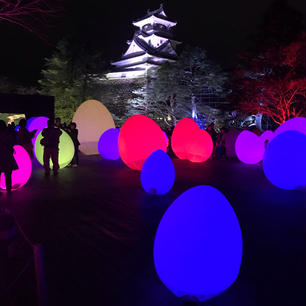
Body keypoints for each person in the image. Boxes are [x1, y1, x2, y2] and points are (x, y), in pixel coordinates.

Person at [0, 120, 18, 193]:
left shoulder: (7, 135)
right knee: (8, 174)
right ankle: (9, 190)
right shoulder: (8, 135)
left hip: (2, 156)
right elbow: (11, 143)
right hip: (7, 156)